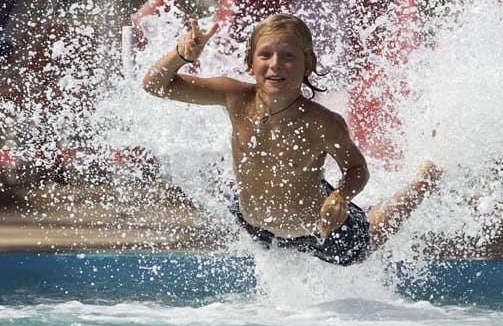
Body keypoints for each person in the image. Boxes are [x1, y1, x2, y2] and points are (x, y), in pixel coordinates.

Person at [143, 14, 441, 266]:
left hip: (318, 228)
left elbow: (356, 169)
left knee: (369, 240)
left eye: (288, 55)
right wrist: (181, 55)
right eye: (265, 55)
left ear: (307, 65)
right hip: (254, 224)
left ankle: (422, 182)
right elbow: (155, 85)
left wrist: (340, 197)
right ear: (250, 64)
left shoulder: (322, 122)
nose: (275, 64)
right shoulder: (235, 97)